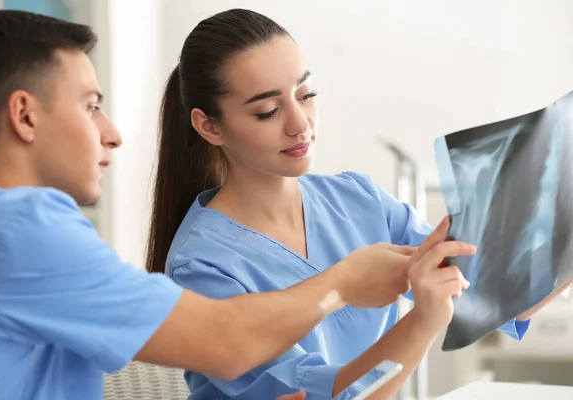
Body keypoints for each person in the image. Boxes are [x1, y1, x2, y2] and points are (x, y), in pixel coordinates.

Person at [0, 10, 469, 400]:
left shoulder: (355, 196)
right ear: (24, 114)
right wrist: (347, 285)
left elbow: (486, 283)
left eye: (306, 93)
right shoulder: (20, 230)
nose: (112, 133)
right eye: (90, 105)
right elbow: (231, 344)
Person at [148, 8, 573, 400]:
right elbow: (334, 394)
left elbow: (496, 290)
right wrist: (423, 319)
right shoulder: (203, 268)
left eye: (306, 94)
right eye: (268, 111)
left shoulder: (358, 199)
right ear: (209, 126)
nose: (300, 125)